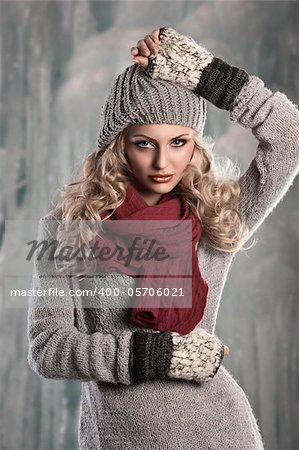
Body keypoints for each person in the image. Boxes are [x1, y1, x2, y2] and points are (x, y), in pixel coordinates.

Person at [27, 26, 299, 449]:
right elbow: (49, 347)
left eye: (178, 142)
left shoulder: (214, 216)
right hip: (118, 438)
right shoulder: (69, 227)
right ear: (118, 145)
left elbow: (290, 136)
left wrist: (206, 74)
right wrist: (148, 357)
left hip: (220, 432)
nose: (162, 161)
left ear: (195, 144)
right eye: (143, 143)